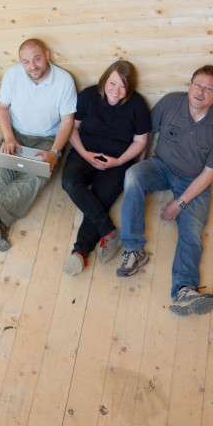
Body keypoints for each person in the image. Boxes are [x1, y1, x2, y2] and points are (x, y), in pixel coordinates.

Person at [116, 65, 213, 316]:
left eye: (208, 88)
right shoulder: (170, 103)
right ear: (190, 84)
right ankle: (134, 250)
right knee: (132, 176)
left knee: (192, 231)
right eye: (198, 84)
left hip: (194, 181)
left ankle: (184, 291)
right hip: (161, 166)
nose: (201, 91)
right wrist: (140, 164)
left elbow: (209, 172)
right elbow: (145, 134)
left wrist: (180, 202)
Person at [0, 38, 76, 252]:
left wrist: (55, 152)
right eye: (26, 62)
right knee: (2, 171)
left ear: (47, 55)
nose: (33, 66)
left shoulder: (64, 80)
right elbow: (1, 108)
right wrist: (9, 138)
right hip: (17, 134)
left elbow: (68, 121)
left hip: (47, 139)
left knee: (37, 176)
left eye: (37, 59)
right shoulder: (13, 74)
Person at [60, 60, 150, 275]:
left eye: (122, 86)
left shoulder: (137, 105)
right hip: (86, 151)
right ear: (104, 80)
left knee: (99, 199)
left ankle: (80, 252)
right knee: (69, 182)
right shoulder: (89, 96)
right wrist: (84, 153)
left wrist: (119, 162)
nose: (116, 91)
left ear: (129, 88)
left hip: (118, 159)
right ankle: (109, 231)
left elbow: (141, 141)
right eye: (112, 83)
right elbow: (73, 127)